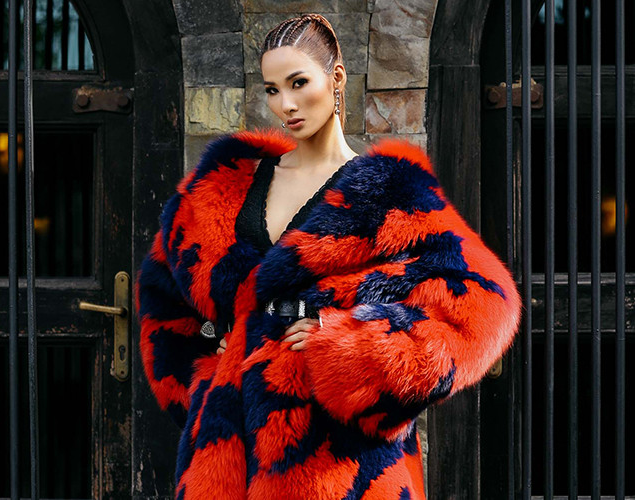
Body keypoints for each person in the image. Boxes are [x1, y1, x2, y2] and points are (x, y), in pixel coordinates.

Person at [135, 13, 521, 500]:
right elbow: (161, 296)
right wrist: (205, 385)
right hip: (227, 461)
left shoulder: (390, 191)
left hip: (343, 463)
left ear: (336, 77)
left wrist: (351, 348)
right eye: (272, 89)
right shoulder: (223, 185)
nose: (286, 104)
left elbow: (487, 306)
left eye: (299, 83)